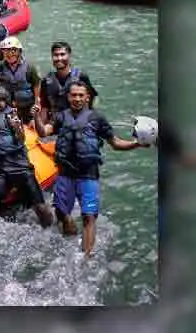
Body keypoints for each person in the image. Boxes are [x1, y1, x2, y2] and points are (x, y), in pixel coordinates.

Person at [36, 81, 144, 256]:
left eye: (81, 95)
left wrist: (137, 144)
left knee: (89, 216)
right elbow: (43, 132)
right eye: (74, 95)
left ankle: (86, 257)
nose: (77, 98)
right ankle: (69, 240)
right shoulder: (61, 117)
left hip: (88, 175)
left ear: (87, 97)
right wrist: (36, 116)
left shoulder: (97, 119)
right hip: (65, 174)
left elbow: (116, 143)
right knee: (62, 213)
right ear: (68, 97)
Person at [0, 86, 54, 230]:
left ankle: (51, 231)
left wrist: (17, 128)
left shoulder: (12, 116)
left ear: (6, 103)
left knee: (41, 208)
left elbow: (21, 138)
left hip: (21, 167)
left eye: (0, 101)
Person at [39, 40, 98, 123]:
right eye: (56, 55)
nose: (59, 58)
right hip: (55, 123)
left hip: (77, 122)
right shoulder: (46, 80)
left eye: (62, 54)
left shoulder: (81, 77)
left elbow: (90, 100)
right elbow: (44, 107)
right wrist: (41, 128)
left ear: (69, 56)